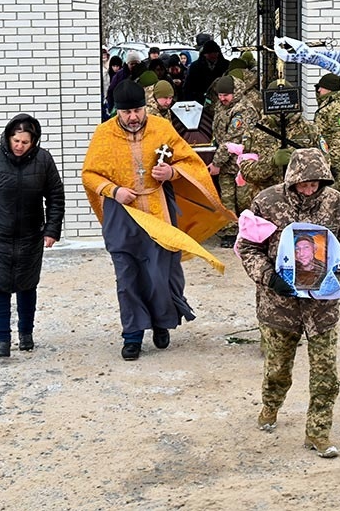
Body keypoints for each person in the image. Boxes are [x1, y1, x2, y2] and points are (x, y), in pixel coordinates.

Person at [81, 80, 234, 361]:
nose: (133, 117)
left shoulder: (162, 129)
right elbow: (89, 174)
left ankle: (162, 323)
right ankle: (133, 335)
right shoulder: (103, 134)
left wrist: (171, 174)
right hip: (123, 214)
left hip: (158, 210)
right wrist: (114, 190)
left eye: (138, 110)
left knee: (161, 275)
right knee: (128, 278)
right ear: (117, 112)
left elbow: (190, 162)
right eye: (126, 112)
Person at [237, 148, 340, 459]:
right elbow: (247, 246)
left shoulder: (335, 203)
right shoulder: (267, 203)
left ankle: (318, 433)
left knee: (326, 373)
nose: (310, 190)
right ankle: (270, 405)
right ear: (291, 181)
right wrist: (268, 276)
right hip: (279, 305)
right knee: (279, 368)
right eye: (303, 184)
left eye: (315, 184)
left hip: (322, 306)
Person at [0, 114, 65, 358]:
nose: (19, 146)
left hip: (31, 234)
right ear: (8, 137)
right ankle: (3, 339)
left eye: (25, 142)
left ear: (34, 142)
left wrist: (51, 230)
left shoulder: (43, 160)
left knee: (27, 285)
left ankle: (26, 333)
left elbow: (55, 197)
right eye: (15, 140)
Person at [209, 74, 258, 247]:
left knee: (244, 199)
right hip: (226, 164)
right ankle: (230, 231)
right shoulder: (221, 106)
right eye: (220, 95)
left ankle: (248, 233)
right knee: (227, 198)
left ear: (235, 92)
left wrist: (216, 163)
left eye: (225, 95)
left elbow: (232, 140)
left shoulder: (243, 110)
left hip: (242, 163)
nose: (222, 98)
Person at [313, 73, 340, 195]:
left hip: (332, 165)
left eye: (321, 87)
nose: (319, 90)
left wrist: (333, 167)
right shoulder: (329, 104)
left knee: (333, 199)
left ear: (330, 89)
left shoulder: (338, 109)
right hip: (326, 161)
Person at [183, 39, 230, 104]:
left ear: (218, 53)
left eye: (215, 53)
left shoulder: (226, 65)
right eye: (210, 53)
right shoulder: (195, 67)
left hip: (222, 100)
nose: (213, 55)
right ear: (205, 54)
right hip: (200, 101)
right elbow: (188, 87)